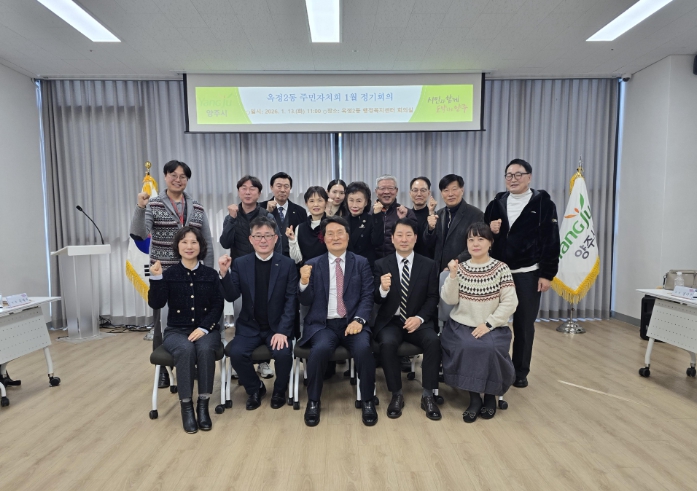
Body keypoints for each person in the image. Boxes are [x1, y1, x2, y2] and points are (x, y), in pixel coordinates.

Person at [130, 160, 215, 389]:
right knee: (162, 323)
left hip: (194, 275)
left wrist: (208, 272)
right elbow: (139, 234)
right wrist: (140, 207)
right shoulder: (154, 204)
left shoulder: (197, 207)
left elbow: (206, 242)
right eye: (173, 175)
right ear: (166, 177)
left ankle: (191, 364)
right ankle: (163, 370)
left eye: (183, 176)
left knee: (194, 318)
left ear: (187, 180)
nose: (178, 180)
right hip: (165, 274)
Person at [484, 159, 560, 388]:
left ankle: (520, 371)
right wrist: (490, 229)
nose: (513, 179)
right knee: (492, 321)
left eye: (518, 174)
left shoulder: (544, 204)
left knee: (524, 325)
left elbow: (552, 241)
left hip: (528, 273)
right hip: (498, 273)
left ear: (529, 177)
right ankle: (493, 367)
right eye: (509, 175)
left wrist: (547, 274)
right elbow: (482, 236)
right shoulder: (496, 203)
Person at [297, 216, 377, 427]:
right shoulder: (312, 264)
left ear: (348, 237)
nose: (335, 237)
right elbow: (305, 301)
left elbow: (367, 295)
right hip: (324, 324)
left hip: (353, 322)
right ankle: (313, 401)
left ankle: (368, 400)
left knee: (364, 349)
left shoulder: (361, 263)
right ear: (323, 239)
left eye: (340, 232)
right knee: (320, 350)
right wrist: (303, 282)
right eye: (330, 234)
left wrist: (359, 320)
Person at [148, 226, 224, 434]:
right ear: (177, 246)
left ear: (201, 246)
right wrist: (156, 278)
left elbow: (218, 305)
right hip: (176, 331)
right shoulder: (169, 274)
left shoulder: (210, 274)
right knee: (185, 349)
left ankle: (203, 405)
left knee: (205, 349)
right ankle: (186, 406)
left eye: (193, 242)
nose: (189, 246)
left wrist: (204, 327)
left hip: (206, 330)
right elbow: (156, 303)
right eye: (184, 242)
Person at [440, 222, 518, 423]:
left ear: (490, 243)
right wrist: (453, 275)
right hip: (460, 325)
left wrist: (489, 324)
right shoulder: (460, 268)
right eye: (471, 239)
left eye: (481, 239)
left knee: (491, 348)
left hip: (493, 326)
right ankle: (475, 398)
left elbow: (510, 302)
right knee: (468, 346)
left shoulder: (501, 268)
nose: (475, 244)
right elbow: (449, 300)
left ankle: (490, 396)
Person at [219, 217, 298, 410]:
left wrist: (283, 331)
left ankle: (279, 391)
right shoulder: (240, 263)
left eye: (268, 236)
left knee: (283, 354)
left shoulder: (287, 264)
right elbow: (231, 295)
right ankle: (255, 389)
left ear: (276, 239)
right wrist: (224, 274)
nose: (263, 240)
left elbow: (291, 301)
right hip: (249, 326)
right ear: (251, 239)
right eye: (258, 236)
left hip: (277, 327)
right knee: (236, 353)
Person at [373, 219, 442, 420]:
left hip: (418, 321)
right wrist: (382, 289)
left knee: (433, 341)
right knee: (387, 343)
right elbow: (376, 299)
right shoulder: (381, 264)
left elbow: (432, 297)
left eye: (408, 235)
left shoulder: (429, 265)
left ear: (416, 238)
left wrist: (419, 318)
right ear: (392, 239)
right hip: (391, 321)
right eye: (399, 235)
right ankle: (396, 394)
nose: (404, 239)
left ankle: (428, 395)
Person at [220, 175, 281, 380]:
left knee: (265, 314)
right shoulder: (232, 215)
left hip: (265, 270)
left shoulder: (266, 215)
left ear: (259, 193)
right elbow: (225, 241)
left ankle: (264, 362)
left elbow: (277, 243)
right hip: (241, 272)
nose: (248, 192)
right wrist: (231, 219)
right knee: (243, 316)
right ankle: (242, 360)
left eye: (252, 188)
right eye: (244, 188)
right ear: (239, 191)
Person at [423, 174, 484, 271]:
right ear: (441, 193)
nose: (450, 194)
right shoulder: (439, 214)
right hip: (439, 272)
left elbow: (477, 245)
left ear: (462, 190)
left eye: (454, 189)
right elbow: (429, 245)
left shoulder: (476, 214)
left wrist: (455, 263)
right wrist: (430, 229)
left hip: (464, 271)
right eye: (446, 190)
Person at [259, 172, 307, 258]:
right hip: (267, 257)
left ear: (290, 188)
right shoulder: (261, 208)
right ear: (271, 187)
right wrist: (267, 212)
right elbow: (255, 229)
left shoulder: (300, 211)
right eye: (279, 186)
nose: (282, 190)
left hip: (291, 259)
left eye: (286, 186)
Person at [373, 175, 418, 259]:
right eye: (382, 188)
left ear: (396, 191)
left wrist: (403, 219)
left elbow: (415, 238)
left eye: (390, 188)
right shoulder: (369, 213)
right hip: (373, 261)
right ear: (376, 191)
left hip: (398, 261)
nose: (386, 192)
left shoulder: (406, 212)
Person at [345, 181, 384, 269]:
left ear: (366, 202)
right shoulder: (342, 221)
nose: (354, 205)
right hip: (347, 266)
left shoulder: (372, 219)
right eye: (351, 200)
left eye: (359, 201)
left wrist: (377, 215)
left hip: (366, 267)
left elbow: (377, 242)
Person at [287, 186, 329, 265]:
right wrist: (292, 240)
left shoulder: (331, 225)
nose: (316, 204)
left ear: (326, 202)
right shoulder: (300, 228)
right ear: (306, 203)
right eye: (311, 201)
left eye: (320, 200)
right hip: (306, 270)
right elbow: (296, 260)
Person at [409, 176, 437, 259]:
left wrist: (431, 213)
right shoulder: (406, 215)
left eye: (423, 190)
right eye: (415, 190)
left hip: (430, 262)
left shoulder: (435, 216)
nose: (419, 194)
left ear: (428, 193)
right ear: (410, 193)